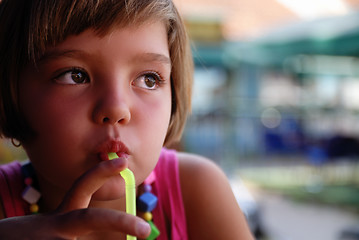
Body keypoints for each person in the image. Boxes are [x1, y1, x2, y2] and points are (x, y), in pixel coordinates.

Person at [0, 0, 254, 239]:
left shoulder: (198, 190)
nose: (117, 108)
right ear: (10, 93)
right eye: (74, 75)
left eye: (148, 79)